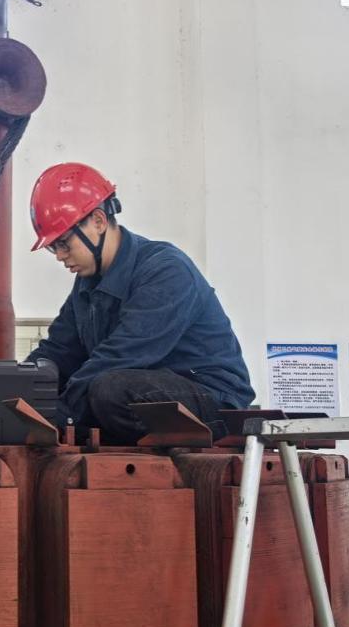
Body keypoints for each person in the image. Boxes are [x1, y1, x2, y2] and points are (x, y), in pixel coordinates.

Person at [25, 162, 254, 444]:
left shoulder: (165, 270)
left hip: (213, 398)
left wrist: (62, 416)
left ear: (98, 221)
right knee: (85, 387)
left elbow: (124, 354)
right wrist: (20, 387)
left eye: (63, 243)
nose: (60, 255)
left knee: (111, 389)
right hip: (145, 389)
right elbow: (59, 351)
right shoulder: (87, 284)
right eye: (53, 247)